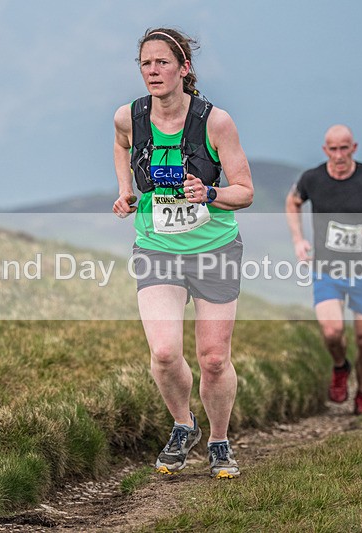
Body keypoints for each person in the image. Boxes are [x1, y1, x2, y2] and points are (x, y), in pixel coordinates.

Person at [112, 28, 254, 478]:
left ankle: (218, 441)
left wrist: (209, 192)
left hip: (214, 249)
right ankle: (182, 425)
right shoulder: (128, 117)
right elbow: (120, 145)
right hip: (157, 249)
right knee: (165, 353)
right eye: (146, 64)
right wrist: (124, 191)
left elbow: (245, 192)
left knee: (214, 357)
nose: (153, 71)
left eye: (162, 63)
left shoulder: (216, 122)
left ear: (184, 69)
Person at [285, 124, 362, 415]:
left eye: (344, 148)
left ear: (354, 147)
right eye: (333, 149)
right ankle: (340, 367)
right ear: (325, 150)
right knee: (331, 330)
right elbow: (293, 202)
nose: (339, 155)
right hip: (327, 268)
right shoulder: (312, 179)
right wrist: (299, 240)